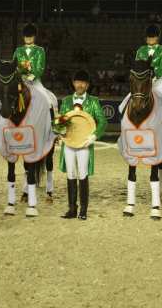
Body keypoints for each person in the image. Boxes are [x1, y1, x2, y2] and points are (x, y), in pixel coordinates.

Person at [58, 70, 107, 220]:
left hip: (84, 143)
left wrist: (94, 135)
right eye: (77, 82)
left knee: (83, 174)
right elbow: (60, 120)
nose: (80, 85)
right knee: (71, 174)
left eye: (83, 83)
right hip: (69, 143)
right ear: (73, 83)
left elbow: (103, 121)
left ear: (87, 85)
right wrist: (59, 132)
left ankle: (83, 210)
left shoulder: (93, 101)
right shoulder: (66, 101)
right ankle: (72, 209)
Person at [118, 25, 162, 119]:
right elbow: (137, 65)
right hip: (142, 80)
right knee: (127, 100)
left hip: (157, 80)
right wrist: (142, 77)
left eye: (153, 38)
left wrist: (154, 76)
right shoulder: (141, 50)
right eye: (149, 38)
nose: (151, 40)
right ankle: (124, 116)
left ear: (157, 38)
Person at [12, 23, 56, 108]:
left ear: (34, 36)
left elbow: (40, 68)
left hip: (35, 82)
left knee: (47, 101)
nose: (28, 38)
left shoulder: (40, 51)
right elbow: (13, 65)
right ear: (23, 36)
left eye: (30, 36)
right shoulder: (18, 50)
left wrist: (30, 78)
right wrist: (20, 73)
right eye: (26, 36)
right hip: (20, 81)